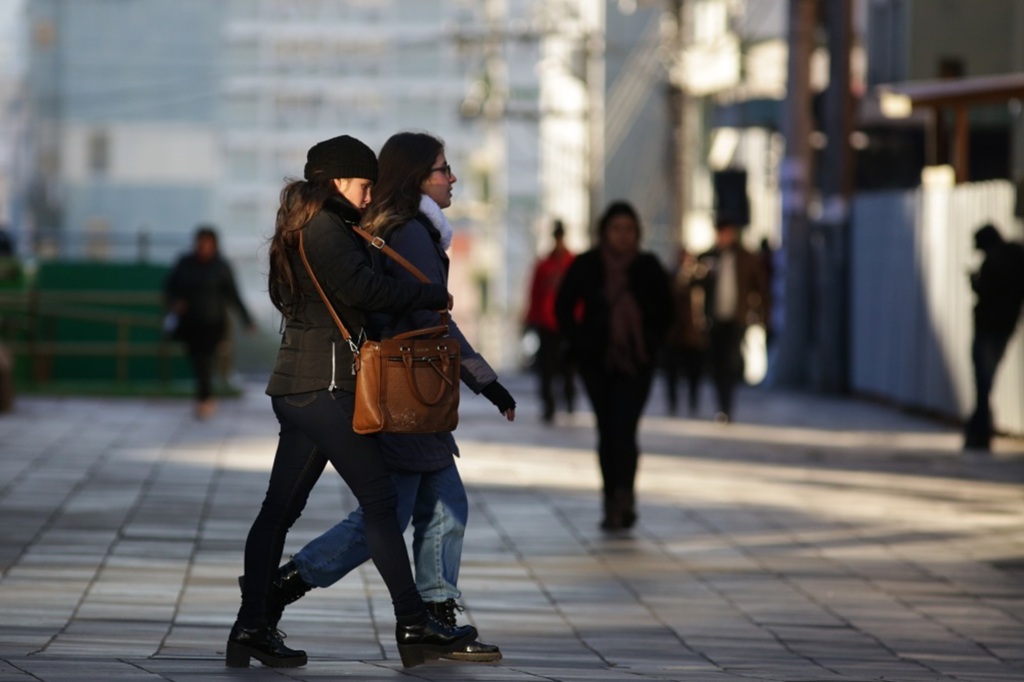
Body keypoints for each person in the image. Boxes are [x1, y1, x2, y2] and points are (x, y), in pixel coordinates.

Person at [252, 131, 516, 663]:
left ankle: (258, 616)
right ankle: (404, 617)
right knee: (384, 511)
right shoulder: (364, 230)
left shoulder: (340, 226)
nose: (452, 177)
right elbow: (395, 307)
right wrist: (479, 372)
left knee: (404, 507)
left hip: (350, 386)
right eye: (443, 169)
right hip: (369, 389)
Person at [555, 201, 673, 531]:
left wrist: (649, 341)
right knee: (607, 431)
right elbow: (564, 306)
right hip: (596, 361)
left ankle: (625, 496)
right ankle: (611, 499)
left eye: (629, 229)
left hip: (637, 363)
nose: (623, 236)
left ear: (638, 233)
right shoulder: (587, 264)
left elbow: (668, 312)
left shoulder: (648, 267)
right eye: (617, 229)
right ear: (604, 232)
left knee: (625, 428)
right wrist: (579, 340)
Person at [164, 225, 254, 419]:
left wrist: (247, 320)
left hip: (213, 323)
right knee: (198, 360)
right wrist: (175, 302)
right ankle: (205, 396)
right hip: (189, 323)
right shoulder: (185, 263)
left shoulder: (221, 266)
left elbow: (233, 295)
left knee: (205, 359)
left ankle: (204, 398)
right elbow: (170, 287)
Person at [692, 211, 767, 423]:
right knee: (716, 364)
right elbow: (692, 283)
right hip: (714, 319)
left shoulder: (747, 258)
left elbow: (761, 288)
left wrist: (762, 315)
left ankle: (728, 405)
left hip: (737, 319)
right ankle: (722, 404)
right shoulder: (708, 257)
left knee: (730, 361)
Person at [963, 223, 1024, 450]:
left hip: (989, 328)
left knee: (983, 383)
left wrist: (976, 282)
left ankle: (978, 434)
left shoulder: (997, 261)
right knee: (985, 383)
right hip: (1003, 327)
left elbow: (986, 290)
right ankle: (978, 432)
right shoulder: (1015, 256)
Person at [524, 219, 576, 423]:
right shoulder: (544, 265)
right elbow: (535, 292)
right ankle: (549, 405)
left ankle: (569, 398)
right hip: (547, 322)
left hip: (568, 323)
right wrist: (531, 318)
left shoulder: (572, 263)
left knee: (568, 366)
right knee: (546, 367)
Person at [662, 246, 707, 415]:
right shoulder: (670, 278)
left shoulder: (699, 280)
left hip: (694, 335)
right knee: (672, 373)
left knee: (694, 372)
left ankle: (693, 402)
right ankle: (673, 403)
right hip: (674, 334)